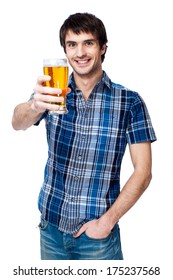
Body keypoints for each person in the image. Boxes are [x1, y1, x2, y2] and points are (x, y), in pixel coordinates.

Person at [12, 12, 157, 260]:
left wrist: (107, 222)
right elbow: (17, 122)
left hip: (98, 238)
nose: (80, 53)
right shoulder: (52, 93)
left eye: (88, 43)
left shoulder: (130, 102)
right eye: (72, 45)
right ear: (65, 51)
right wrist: (35, 106)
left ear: (102, 48)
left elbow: (143, 172)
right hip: (51, 230)